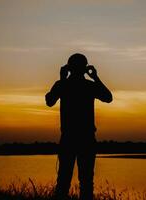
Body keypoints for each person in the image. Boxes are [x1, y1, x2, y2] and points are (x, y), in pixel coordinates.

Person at [45, 53, 112, 199]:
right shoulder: (89, 86)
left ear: (69, 68)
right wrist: (95, 77)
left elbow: (49, 101)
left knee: (63, 180)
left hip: (69, 138)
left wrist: (62, 79)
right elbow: (108, 97)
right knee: (86, 182)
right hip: (86, 139)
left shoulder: (63, 85)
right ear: (85, 69)